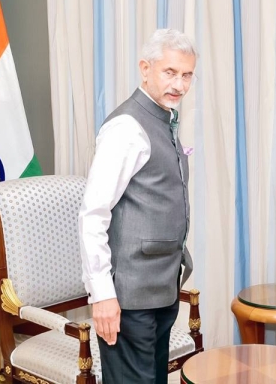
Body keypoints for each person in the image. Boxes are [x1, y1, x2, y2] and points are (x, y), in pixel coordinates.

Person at [79, 28, 197, 383]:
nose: (179, 84)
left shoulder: (164, 119)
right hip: (129, 298)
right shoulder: (126, 127)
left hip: (160, 289)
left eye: (187, 74)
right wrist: (102, 297)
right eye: (170, 72)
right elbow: (92, 216)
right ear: (145, 69)